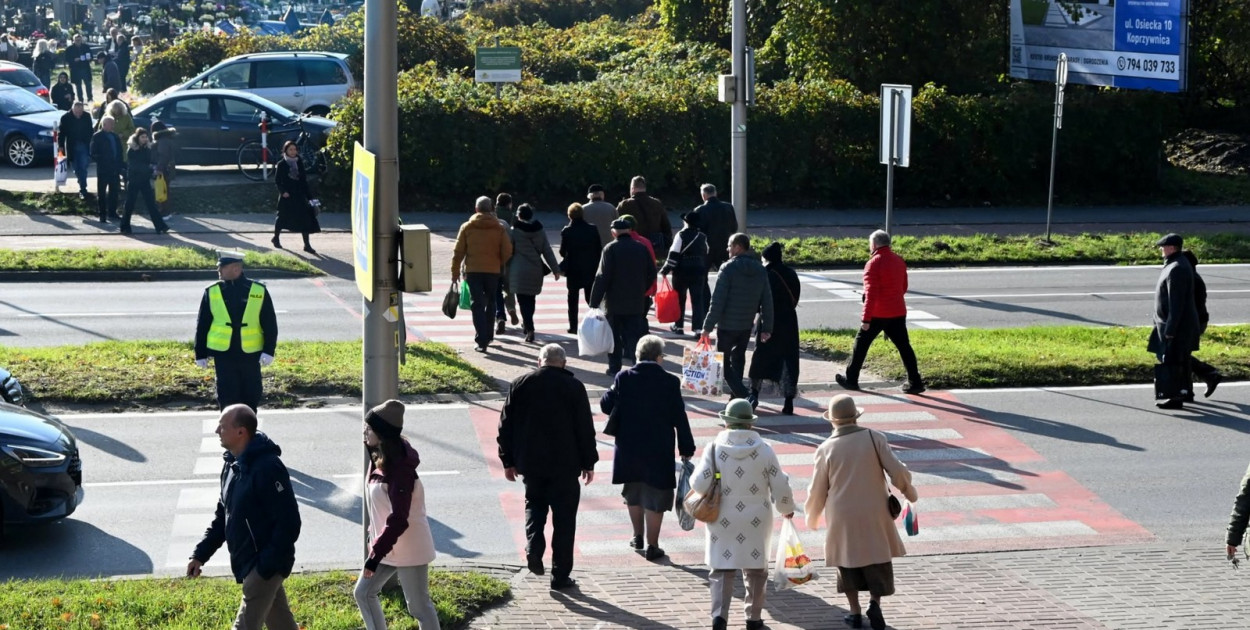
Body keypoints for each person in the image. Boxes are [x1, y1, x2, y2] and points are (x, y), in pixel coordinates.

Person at [805, 394, 917, 630]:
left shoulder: (825, 448)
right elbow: (898, 471)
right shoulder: (874, 438)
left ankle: (854, 612)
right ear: (856, 416)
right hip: (874, 509)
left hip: (841, 514)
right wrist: (910, 492)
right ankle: (874, 602)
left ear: (832, 420)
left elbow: (817, 489)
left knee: (847, 561)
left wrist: (812, 515)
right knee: (877, 558)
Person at [188, 404, 301, 630]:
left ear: (241, 432)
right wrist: (200, 555)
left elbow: (290, 522)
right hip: (252, 562)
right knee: (282, 625)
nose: (216, 431)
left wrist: (264, 566)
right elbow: (223, 517)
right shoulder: (232, 464)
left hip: (262, 566)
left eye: (222, 426)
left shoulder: (267, 467)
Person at [497, 344, 598, 590]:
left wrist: (507, 460)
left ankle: (533, 548)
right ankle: (560, 576)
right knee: (565, 522)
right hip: (566, 466)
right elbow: (585, 428)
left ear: (538, 361)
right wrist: (588, 462)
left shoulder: (521, 384)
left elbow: (505, 426)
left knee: (534, 506)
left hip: (531, 465)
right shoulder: (574, 387)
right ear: (563, 363)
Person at [690, 398, 794, 630]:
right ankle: (753, 618)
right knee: (756, 569)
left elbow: (697, 484)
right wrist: (786, 509)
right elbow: (779, 485)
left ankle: (719, 616)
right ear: (750, 424)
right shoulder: (765, 449)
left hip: (721, 517)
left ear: (727, 422)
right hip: (757, 518)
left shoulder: (714, 448)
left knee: (721, 568)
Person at [600, 334, 695, 561]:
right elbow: (679, 417)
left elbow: (605, 405)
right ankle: (653, 545)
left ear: (638, 355)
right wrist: (686, 445)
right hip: (658, 447)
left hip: (629, 447)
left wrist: (616, 386)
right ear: (658, 357)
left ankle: (637, 536)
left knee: (633, 493)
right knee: (656, 496)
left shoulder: (624, 377)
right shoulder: (670, 382)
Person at [355, 400, 441, 630]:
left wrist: (374, 555)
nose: (364, 430)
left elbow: (399, 519)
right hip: (386, 545)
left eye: (369, 428)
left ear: (382, 434)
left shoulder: (400, 470)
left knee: (419, 608)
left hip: (409, 547)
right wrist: (372, 537)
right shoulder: (379, 458)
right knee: (363, 593)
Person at [835, 230, 925, 395]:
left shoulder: (873, 263)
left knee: (860, 345)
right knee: (904, 347)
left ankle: (851, 379)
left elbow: (871, 294)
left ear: (874, 244)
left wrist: (866, 319)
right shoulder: (899, 261)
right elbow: (903, 287)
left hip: (877, 314)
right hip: (897, 311)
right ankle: (915, 381)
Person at [194, 251, 279, 411]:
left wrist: (269, 350)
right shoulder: (212, 291)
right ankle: (229, 432)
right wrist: (200, 353)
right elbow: (203, 324)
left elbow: (269, 323)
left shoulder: (257, 290)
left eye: (221, 268)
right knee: (227, 397)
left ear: (235, 268)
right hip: (224, 355)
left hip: (250, 354)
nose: (218, 271)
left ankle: (250, 432)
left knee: (251, 396)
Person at [701, 233, 773, 404]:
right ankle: (736, 398)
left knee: (723, 365)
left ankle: (745, 396)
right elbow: (767, 301)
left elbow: (717, 301)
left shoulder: (727, 269)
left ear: (738, 247)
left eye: (730, 245)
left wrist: (707, 327)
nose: (727, 249)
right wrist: (768, 328)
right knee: (739, 358)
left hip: (727, 326)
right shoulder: (760, 269)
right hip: (745, 325)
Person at [590, 218, 656, 376]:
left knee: (614, 337)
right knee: (633, 336)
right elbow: (652, 272)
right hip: (636, 301)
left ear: (614, 232)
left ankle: (614, 368)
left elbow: (602, 277)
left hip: (614, 302)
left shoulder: (610, 249)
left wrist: (594, 301)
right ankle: (637, 366)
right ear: (629, 231)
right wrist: (642, 289)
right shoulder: (641, 248)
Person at [451, 196, 513, 353]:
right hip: (493, 271)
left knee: (477, 304)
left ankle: (481, 339)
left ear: (476, 209)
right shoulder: (499, 228)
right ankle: (489, 335)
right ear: (491, 209)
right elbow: (507, 250)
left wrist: (455, 272)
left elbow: (458, 252)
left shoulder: (467, 227)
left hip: (473, 271)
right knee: (491, 302)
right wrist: (499, 262)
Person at [1148, 233, 1200, 410]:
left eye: (1163, 247)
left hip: (1176, 327)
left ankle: (1176, 397)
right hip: (1179, 325)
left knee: (1173, 361)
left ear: (1171, 248)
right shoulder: (1178, 264)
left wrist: (1170, 329)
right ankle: (1187, 393)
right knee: (1182, 360)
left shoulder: (1176, 268)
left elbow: (1176, 303)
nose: (1161, 250)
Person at [749, 242, 802, 415]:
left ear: (767, 258)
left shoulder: (765, 274)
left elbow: (758, 301)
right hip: (789, 322)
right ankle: (788, 402)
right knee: (788, 361)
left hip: (768, 322)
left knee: (761, 359)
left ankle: (754, 394)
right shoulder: (792, 274)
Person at [507, 202, 561, 343]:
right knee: (530, 299)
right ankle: (527, 323)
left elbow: (508, 251)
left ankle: (529, 328)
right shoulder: (540, 231)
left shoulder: (514, 232)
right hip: (535, 270)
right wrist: (556, 270)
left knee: (522, 300)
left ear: (518, 215)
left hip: (518, 270)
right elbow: (547, 251)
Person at [659, 211, 708, 337]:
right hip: (699, 271)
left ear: (686, 222)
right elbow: (706, 251)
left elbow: (674, 253)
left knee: (680, 299)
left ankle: (679, 326)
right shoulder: (702, 236)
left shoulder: (681, 235)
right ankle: (698, 329)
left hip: (682, 271)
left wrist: (666, 269)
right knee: (698, 300)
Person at [1182, 249, 1222, 399]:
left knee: (1179, 355)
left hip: (1195, 322)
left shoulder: (1192, 280)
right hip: (1197, 320)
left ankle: (1210, 374)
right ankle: (1187, 389)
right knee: (1180, 355)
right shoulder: (1192, 277)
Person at [558, 202, 601, 334]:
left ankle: (573, 326)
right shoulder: (593, 229)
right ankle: (597, 323)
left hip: (573, 269)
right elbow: (599, 249)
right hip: (590, 268)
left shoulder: (567, 231)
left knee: (572, 298)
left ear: (570, 216)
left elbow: (561, 252)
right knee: (591, 299)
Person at [273, 140, 320, 253]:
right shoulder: (281, 164)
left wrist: (312, 200)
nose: (293, 152)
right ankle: (276, 238)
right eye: (290, 150)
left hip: (299, 195)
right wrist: (283, 191)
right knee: (281, 218)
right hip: (287, 196)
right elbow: (277, 181)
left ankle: (307, 245)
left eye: (295, 149)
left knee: (305, 219)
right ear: (286, 151)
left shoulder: (299, 162)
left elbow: (304, 181)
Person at [120, 127, 170, 234]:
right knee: (130, 204)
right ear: (137, 138)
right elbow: (135, 166)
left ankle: (160, 226)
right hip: (134, 180)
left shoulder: (147, 149)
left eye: (146, 137)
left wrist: (152, 170)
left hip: (144, 180)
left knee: (151, 204)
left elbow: (148, 163)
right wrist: (151, 170)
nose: (145, 139)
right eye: (142, 137)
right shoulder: (132, 150)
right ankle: (125, 226)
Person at [616, 175, 672, 253]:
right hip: (654, 247)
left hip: (632, 248)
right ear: (644, 188)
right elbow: (666, 227)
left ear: (632, 188)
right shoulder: (657, 203)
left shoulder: (624, 205)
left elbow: (616, 226)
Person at [688, 183, 737, 272]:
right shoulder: (728, 207)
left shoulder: (699, 210)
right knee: (726, 273)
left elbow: (696, 231)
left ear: (703, 195)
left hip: (706, 248)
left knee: (702, 277)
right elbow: (734, 228)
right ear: (715, 193)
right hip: (724, 246)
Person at [493, 192, 519, 334]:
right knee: (509, 287)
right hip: (509, 258)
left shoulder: (492, 214)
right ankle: (511, 309)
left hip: (493, 259)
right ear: (509, 203)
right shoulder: (512, 216)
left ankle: (499, 316)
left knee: (495, 288)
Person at [89, 115, 123, 223]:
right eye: (111, 124)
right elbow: (93, 153)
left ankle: (112, 212)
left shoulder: (115, 136)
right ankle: (102, 214)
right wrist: (103, 159)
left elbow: (119, 152)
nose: (113, 126)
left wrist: (120, 165)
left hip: (114, 169)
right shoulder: (97, 136)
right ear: (104, 125)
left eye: (113, 124)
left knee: (114, 192)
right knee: (102, 193)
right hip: (103, 169)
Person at [57, 101, 93, 199]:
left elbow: (90, 131)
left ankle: (83, 189)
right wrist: (60, 146)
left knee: (83, 168)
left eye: (80, 112)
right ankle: (81, 180)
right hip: (71, 146)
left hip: (84, 145)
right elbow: (62, 134)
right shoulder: (65, 118)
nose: (78, 114)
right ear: (73, 109)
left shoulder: (86, 116)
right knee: (75, 168)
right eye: (76, 112)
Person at [151, 120, 178, 216]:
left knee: (162, 190)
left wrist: (158, 169)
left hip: (163, 169)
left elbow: (163, 156)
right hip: (168, 169)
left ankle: (165, 212)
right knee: (165, 189)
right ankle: (166, 210)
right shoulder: (167, 138)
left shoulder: (162, 140)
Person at [581, 184, 617, 249]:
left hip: (589, 247)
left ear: (589, 196)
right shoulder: (611, 208)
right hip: (609, 246)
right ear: (602, 194)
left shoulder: (583, 209)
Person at [64, 34, 93, 101]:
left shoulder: (86, 47)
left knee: (88, 84)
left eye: (79, 40)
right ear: (73, 40)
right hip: (75, 69)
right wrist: (74, 60)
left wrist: (89, 59)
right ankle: (80, 99)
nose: (78, 41)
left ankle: (90, 98)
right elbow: (67, 59)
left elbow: (91, 56)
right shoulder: (69, 49)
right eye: (76, 40)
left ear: (81, 40)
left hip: (85, 68)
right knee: (78, 86)